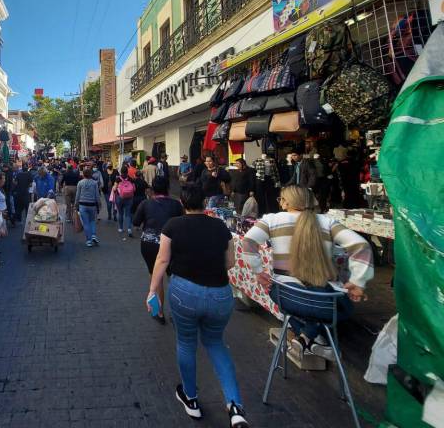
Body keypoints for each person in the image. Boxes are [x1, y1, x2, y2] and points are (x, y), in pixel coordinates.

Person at [147, 184, 249, 427]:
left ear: (182, 203)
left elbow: (162, 259)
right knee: (216, 344)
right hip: (220, 295)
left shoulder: (172, 226)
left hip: (185, 292)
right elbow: (230, 262)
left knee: (186, 342)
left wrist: (152, 291)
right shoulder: (221, 226)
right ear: (205, 203)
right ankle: (235, 406)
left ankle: (190, 398)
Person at [242, 185, 373, 360]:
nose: (280, 202)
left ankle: (306, 338)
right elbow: (361, 246)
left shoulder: (271, 220)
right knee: (343, 307)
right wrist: (358, 281)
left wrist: (258, 271)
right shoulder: (328, 222)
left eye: (280, 199)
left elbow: (248, 242)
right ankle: (312, 338)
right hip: (324, 303)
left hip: (284, 296)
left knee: (300, 308)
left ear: (287, 202)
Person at [133, 176, 183, 325]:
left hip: (149, 244)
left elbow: (136, 222)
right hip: (172, 244)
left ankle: (159, 312)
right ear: (168, 187)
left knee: (156, 278)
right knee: (174, 278)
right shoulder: (176, 205)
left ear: (152, 189)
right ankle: (176, 315)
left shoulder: (145, 204)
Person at [75, 168, 101, 247]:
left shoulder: (80, 183)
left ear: (83, 174)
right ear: (91, 174)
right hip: (92, 205)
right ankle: (93, 235)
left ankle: (89, 240)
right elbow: (97, 195)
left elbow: (77, 195)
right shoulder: (94, 183)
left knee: (86, 223)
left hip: (82, 204)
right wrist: (99, 204)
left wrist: (76, 204)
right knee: (92, 221)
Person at [113, 165, 135, 238]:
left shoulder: (118, 179)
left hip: (120, 197)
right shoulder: (130, 179)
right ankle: (129, 229)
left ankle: (121, 228)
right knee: (128, 214)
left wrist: (115, 190)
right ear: (127, 171)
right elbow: (134, 189)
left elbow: (114, 188)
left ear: (121, 171)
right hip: (129, 198)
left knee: (120, 213)